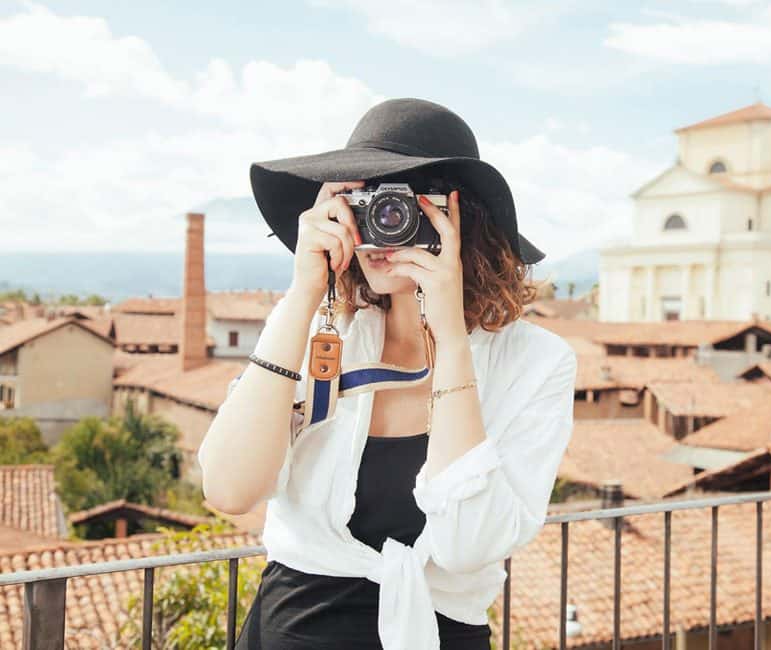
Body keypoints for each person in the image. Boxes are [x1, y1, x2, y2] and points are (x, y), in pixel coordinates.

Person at [198, 98, 577, 650]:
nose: (381, 222)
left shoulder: (536, 363)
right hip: (292, 630)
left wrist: (448, 335)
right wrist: (304, 292)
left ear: (460, 218)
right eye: (361, 200)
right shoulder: (318, 331)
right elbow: (229, 489)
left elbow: (468, 546)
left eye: (400, 202)